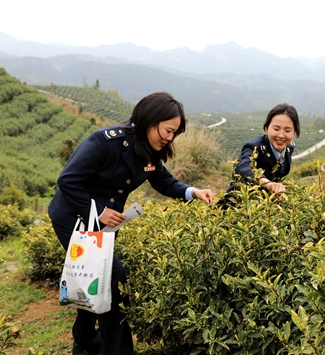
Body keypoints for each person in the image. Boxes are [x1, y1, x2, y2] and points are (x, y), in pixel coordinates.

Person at [48, 92, 214, 355]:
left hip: (102, 223)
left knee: (93, 274)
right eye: (168, 130)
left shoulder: (150, 150)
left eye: (174, 133)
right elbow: (68, 180)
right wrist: (100, 211)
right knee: (111, 276)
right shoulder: (105, 141)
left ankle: (84, 341)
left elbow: (164, 181)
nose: (169, 138)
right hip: (73, 217)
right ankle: (117, 350)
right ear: (151, 120)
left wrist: (193, 192)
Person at [220, 103, 300, 204]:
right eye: (276, 129)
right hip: (240, 205)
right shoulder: (255, 147)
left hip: (265, 205)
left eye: (287, 130)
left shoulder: (288, 148)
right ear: (266, 128)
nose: (281, 135)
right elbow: (244, 166)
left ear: (294, 132)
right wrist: (267, 184)